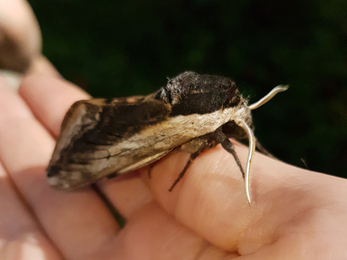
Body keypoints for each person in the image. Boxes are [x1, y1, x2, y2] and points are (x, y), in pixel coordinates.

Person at [0, 1, 346, 259]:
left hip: (163, 112)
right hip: (144, 131)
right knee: (117, 145)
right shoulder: (207, 123)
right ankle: (54, 125)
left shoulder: (224, 106)